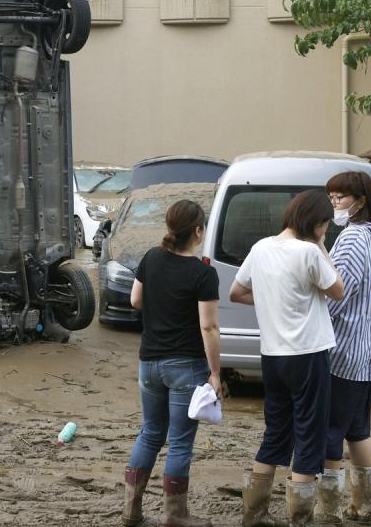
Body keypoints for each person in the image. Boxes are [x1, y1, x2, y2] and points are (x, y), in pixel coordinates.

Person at [229, 189, 344, 527]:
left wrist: (269, 299)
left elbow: (236, 292)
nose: (326, 231)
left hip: (273, 356)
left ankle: (255, 514)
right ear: (317, 223)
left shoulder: (260, 248)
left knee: (276, 432)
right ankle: (299, 518)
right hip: (308, 354)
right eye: (325, 225)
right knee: (309, 434)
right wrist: (322, 246)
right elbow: (338, 289)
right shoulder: (309, 252)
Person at [121, 199, 223, 527]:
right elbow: (208, 327)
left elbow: (135, 299)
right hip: (186, 366)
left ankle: (131, 512)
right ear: (197, 231)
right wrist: (216, 373)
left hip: (149, 362)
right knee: (179, 441)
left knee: (150, 433)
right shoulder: (203, 273)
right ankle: (175, 516)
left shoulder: (151, 258)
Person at [315, 172, 371, 524]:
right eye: (331, 197)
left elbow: (336, 294)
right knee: (358, 429)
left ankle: (327, 510)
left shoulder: (352, 239)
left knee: (331, 432)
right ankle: (364, 504)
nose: (335, 204)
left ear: (361, 200)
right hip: (367, 353)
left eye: (341, 197)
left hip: (344, 353)